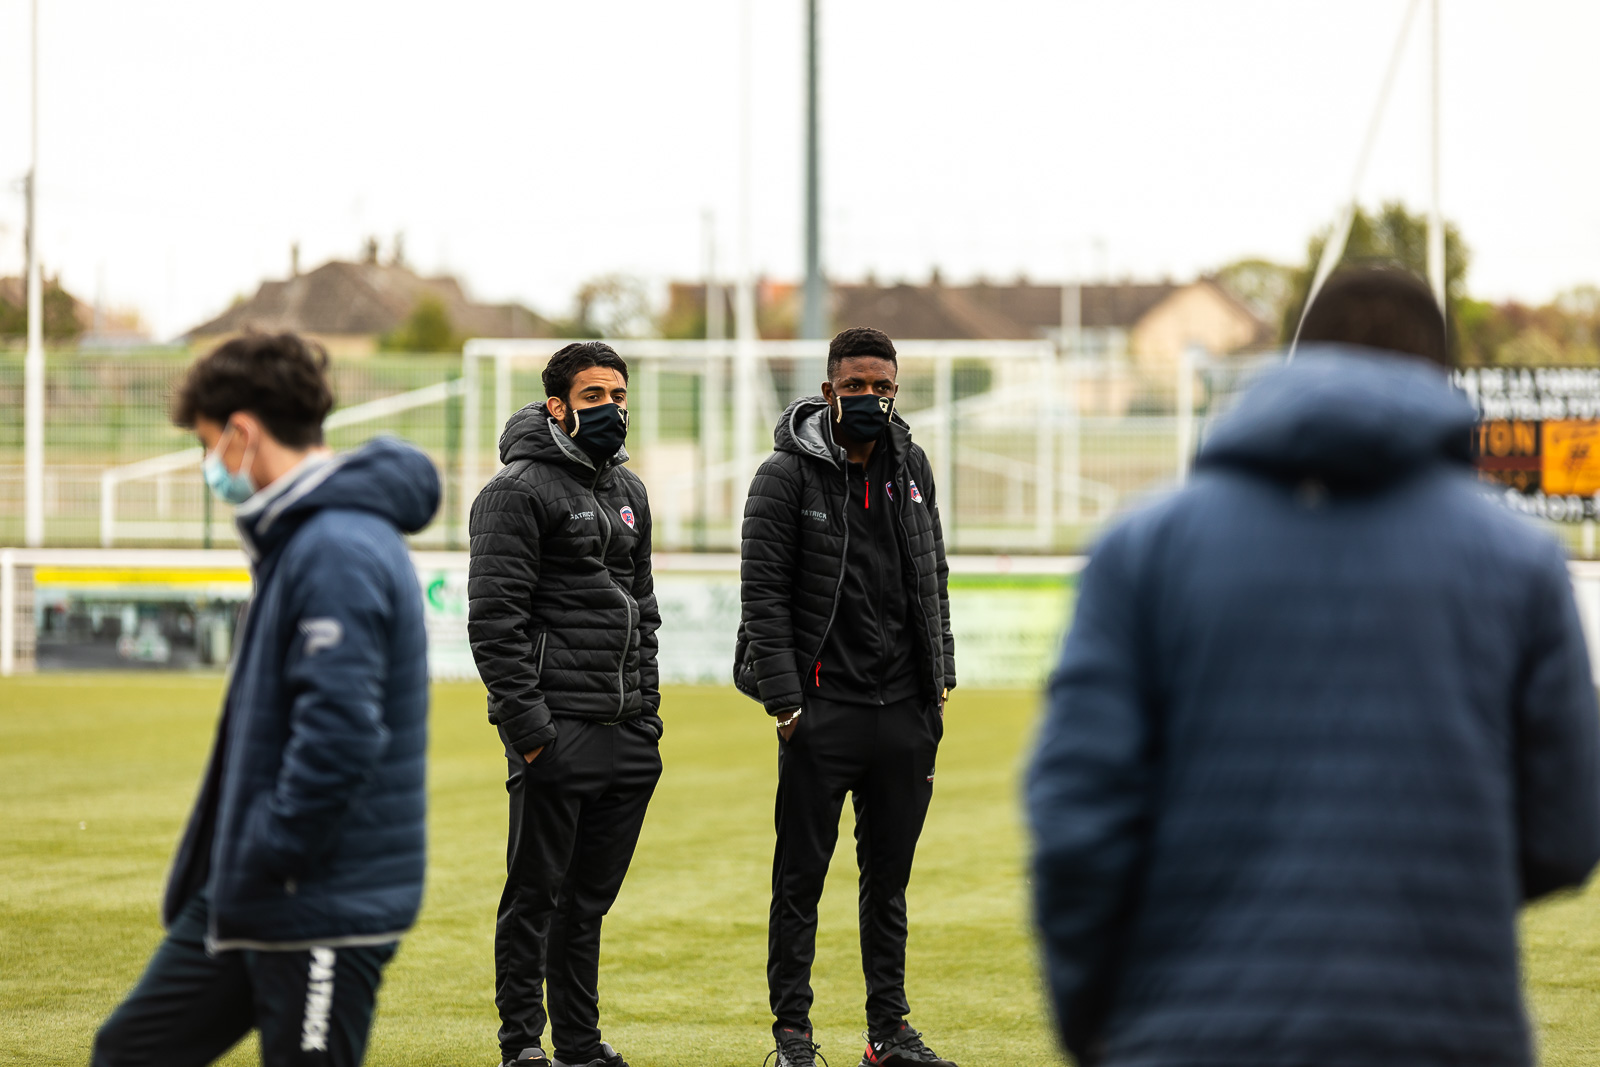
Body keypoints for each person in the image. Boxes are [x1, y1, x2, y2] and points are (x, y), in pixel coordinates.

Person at [1027, 266, 1600, 1067]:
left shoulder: (1142, 549)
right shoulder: (1523, 562)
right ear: (1443, 374)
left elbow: (1077, 824)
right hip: (1444, 1033)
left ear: (1297, 358)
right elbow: (1566, 834)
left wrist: (1094, 1024)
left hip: (1190, 1036)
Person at [91, 332, 440, 1067]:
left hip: (316, 898)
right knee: (129, 1050)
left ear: (243, 434)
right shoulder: (304, 537)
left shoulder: (335, 545)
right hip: (253, 889)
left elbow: (341, 734)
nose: (208, 465)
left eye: (208, 444)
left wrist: (274, 849)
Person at [736, 326, 959, 1067]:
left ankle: (888, 1031)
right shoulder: (784, 476)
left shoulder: (913, 465)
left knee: (887, 884)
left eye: (883, 386)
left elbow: (933, 575)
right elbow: (763, 597)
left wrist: (940, 684)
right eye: (856, 386)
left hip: (904, 712)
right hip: (821, 712)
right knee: (800, 877)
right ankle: (793, 1036)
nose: (870, 397)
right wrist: (787, 704)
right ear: (829, 390)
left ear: (898, 390)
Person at [468, 341, 662, 1067]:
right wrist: (531, 732)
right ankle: (522, 1043)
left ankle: (579, 1043)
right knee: (535, 897)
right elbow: (494, 622)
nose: (610, 409)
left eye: (617, 395)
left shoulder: (631, 492)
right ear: (557, 407)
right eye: (593, 398)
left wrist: (648, 717)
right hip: (557, 733)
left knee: (587, 904)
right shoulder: (514, 493)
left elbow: (644, 612)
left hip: (627, 734)